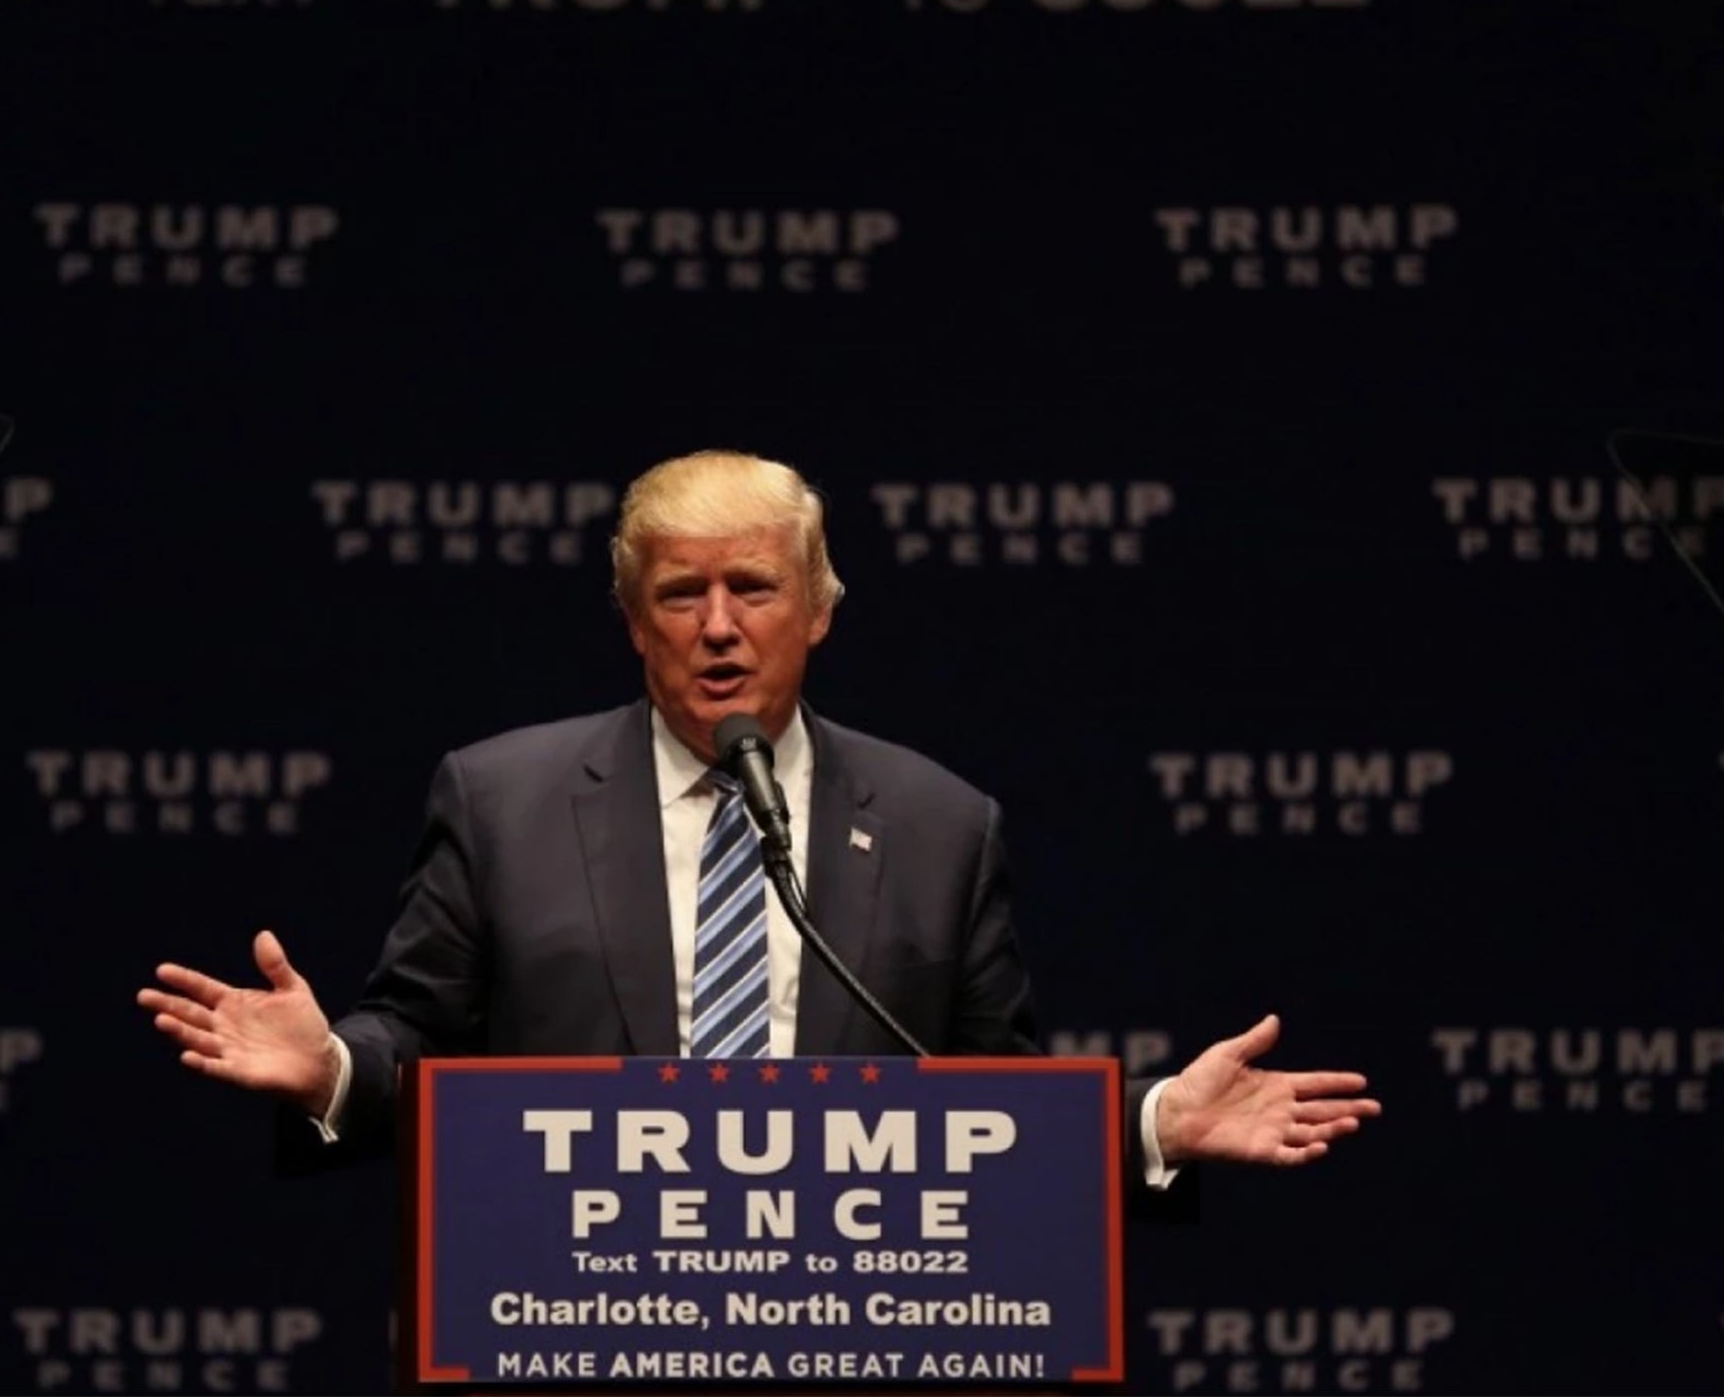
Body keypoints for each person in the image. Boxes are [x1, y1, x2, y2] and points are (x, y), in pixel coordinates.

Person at [137, 451, 1379, 1183]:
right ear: (632, 621)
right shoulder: (501, 798)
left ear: (819, 609)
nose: (717, 625)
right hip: (571, 1327)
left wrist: (1152, 1119)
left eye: (752, 588)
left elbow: (983, 1094)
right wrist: (333, 1070)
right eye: (679, 593)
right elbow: (413, 1033)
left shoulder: (941, 823)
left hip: (841, 1336)